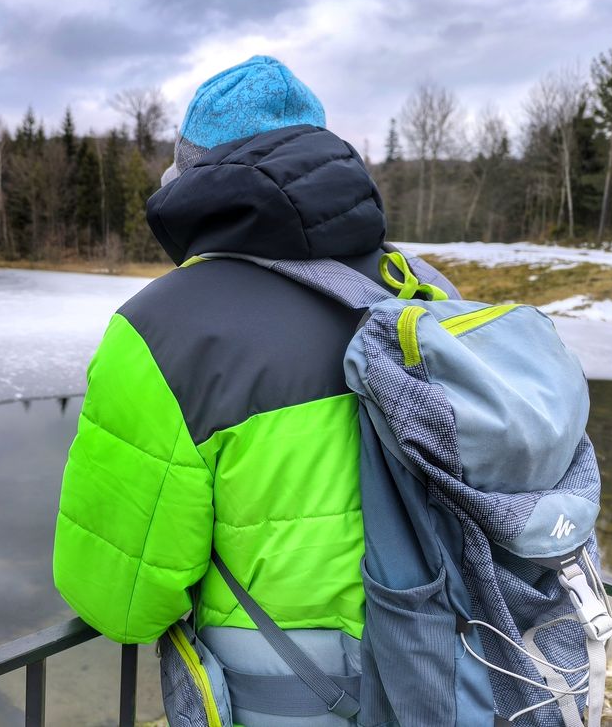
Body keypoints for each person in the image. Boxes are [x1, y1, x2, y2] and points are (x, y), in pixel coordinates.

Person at [52, 55, 455, 725]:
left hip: (295, 705)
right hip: (453, 681)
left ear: (188, 173)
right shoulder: (421, 289)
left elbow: (119, 599)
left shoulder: (160, 332)